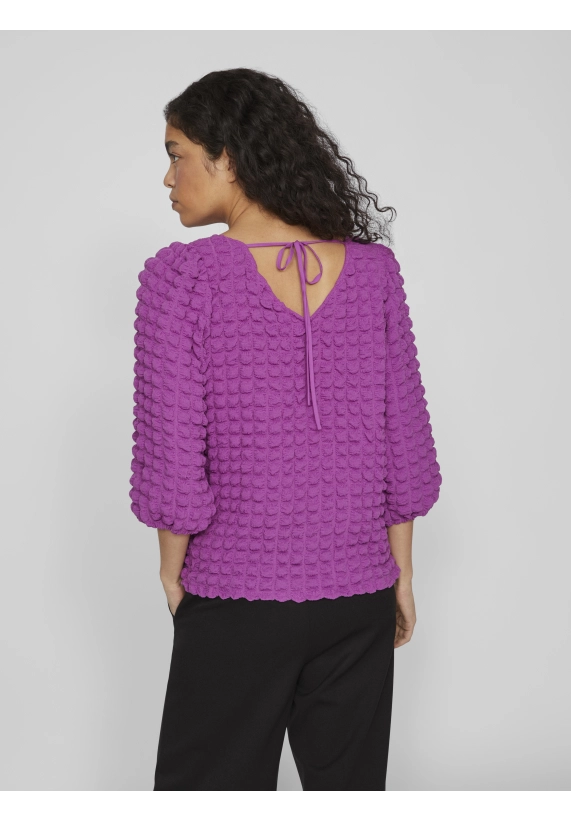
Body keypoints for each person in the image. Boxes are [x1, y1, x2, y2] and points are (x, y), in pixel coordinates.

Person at [129, 67, 442, 792]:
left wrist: (173, 573)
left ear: (228, 158)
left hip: (235, 597)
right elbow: (405, 445)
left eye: (177, 154)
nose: (168, 177)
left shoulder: (184, 280)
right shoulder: (374, 274)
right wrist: (400, 573)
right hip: (359, 598)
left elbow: (174, 458)